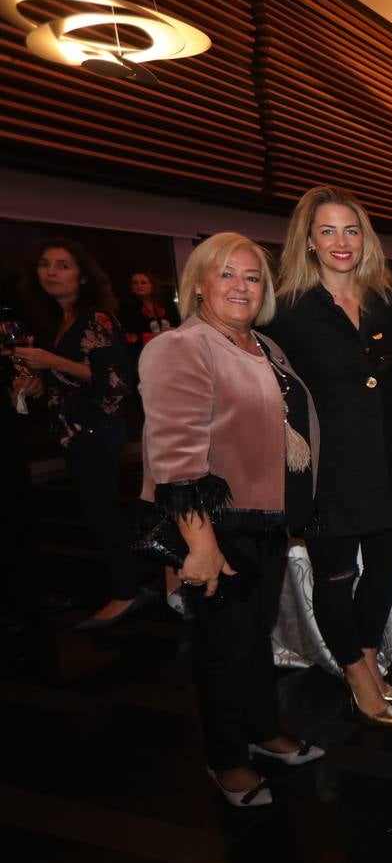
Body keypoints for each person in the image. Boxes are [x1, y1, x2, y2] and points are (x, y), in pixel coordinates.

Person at [139, 232, 324, 807]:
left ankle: (263, 730)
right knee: (225, 649)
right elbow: (176, 455)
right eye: (227, 275)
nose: (242, 286)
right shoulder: (182, 346)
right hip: (221, 526)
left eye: (252, 277)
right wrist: (201, 546)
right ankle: (226, 759)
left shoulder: (262, 345)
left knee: (254, 639)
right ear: (198, 283)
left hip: (267, 521)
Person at [268, 186, 392, 728]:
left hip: (389, 460)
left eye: (351, 230)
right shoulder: (285, 310)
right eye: (327, 231)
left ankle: (371, 659)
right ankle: (355, 673)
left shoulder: (385, 299)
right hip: (330, 470)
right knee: (336, 578)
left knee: (383, 571)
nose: (341, 242)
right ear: (308, 240)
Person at [13, 239, 149, 629]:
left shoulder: (96, 319)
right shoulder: (57, 320)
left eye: (62, 265)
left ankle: (128, 591)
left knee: (101, 511)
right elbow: (66, 379)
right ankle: (135, 576)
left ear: (83, 276)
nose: (51, 272)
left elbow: (118, 380)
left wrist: (51, 361)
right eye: (44, 263)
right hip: (74, 430)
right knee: (101, 511)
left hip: (97, 428)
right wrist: (38, 384)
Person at [120, 269, 180, 356]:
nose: (139, 286)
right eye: (135, 283)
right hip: (145, 354)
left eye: (143, 283)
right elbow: (130, 337)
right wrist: (157, 335)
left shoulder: (166, 304)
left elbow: (178, 325)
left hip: (171, 350)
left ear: (152, 286)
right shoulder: (127, 309)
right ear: (131, 287)